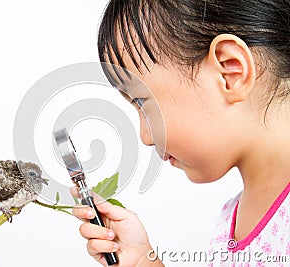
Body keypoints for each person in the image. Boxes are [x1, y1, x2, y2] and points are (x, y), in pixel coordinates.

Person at [71, 0, 290, 266]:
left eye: (142, 102)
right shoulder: (229, 220)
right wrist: (142, 261)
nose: (145, 136)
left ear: (230, 71)